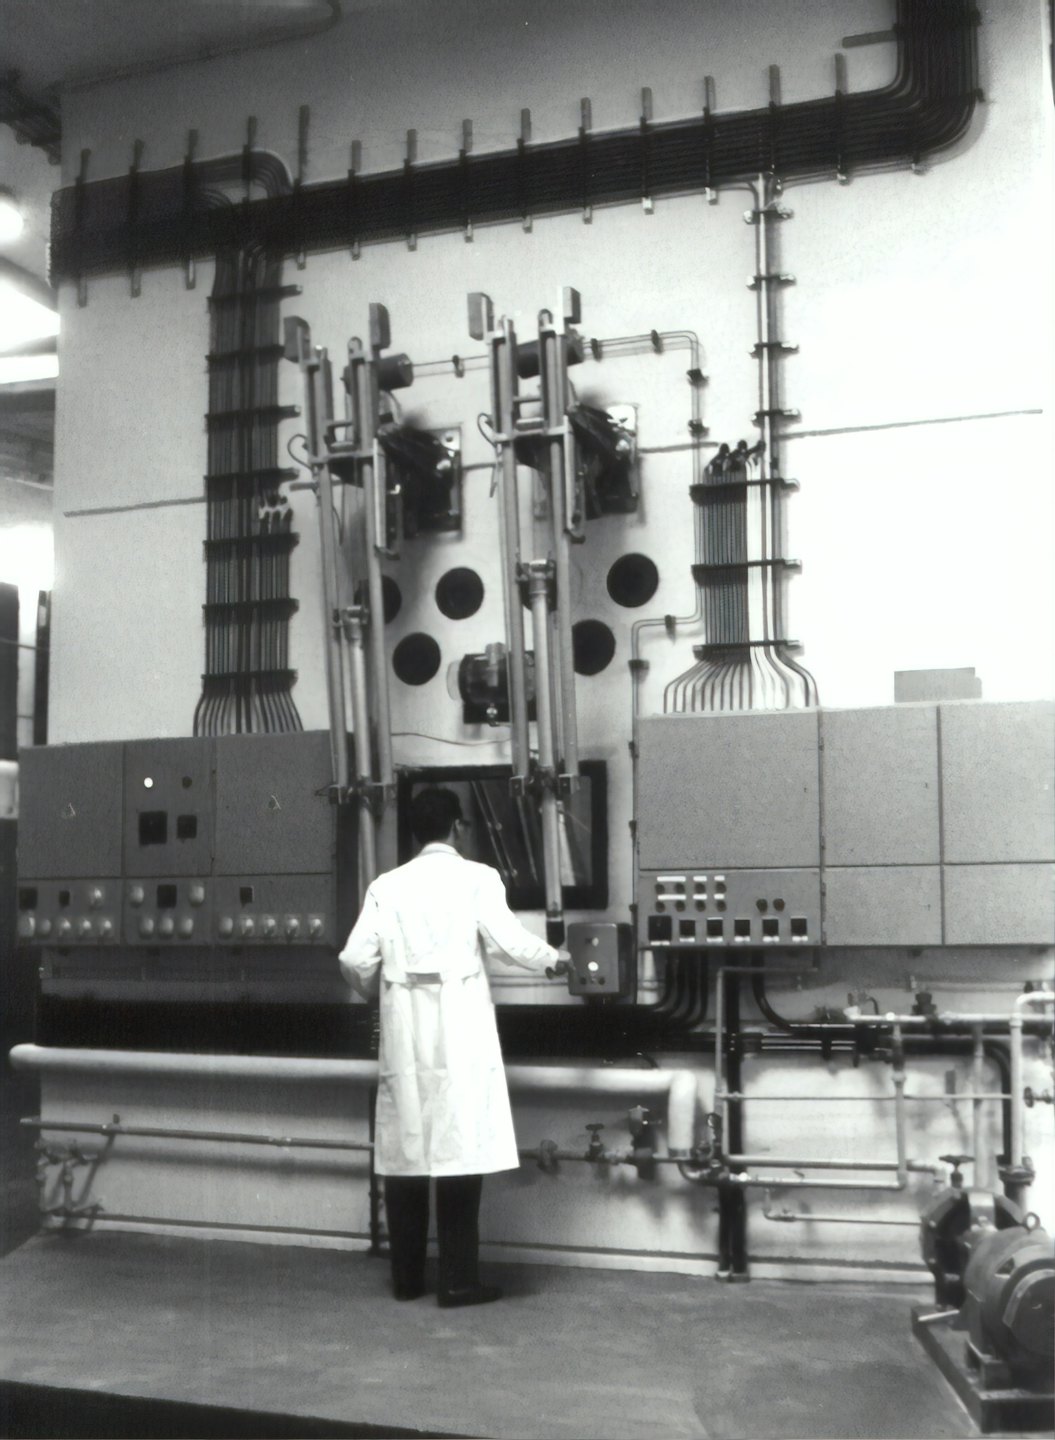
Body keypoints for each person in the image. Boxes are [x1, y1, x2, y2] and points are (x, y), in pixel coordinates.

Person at [339, 786, 566, 1307]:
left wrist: (378, 991)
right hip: (460, 1029)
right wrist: (555, 959)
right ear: (458, 827)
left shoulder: (386, 886)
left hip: (405, 1032)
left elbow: (353, 959)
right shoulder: (477, 878)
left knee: (407, 1151)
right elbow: (509, 941)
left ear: (415, 834)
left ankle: (407, 1281)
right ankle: (458, 1281)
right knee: (460, 1151)